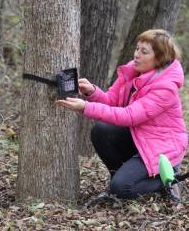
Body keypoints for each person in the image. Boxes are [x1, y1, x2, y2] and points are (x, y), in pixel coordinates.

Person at [57, 29, 188, 201]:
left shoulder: (165, 87)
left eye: (144, 51)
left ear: (159, 59)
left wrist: (86, 107)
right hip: (140, 137)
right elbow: (112, 101)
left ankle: (170, 180)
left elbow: (129, 116)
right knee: (101, 131)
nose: (136, 55)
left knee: (121, 188)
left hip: (161, 147)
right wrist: (92, 92)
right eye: (137, 49)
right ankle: (126, 179)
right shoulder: (132, 72)